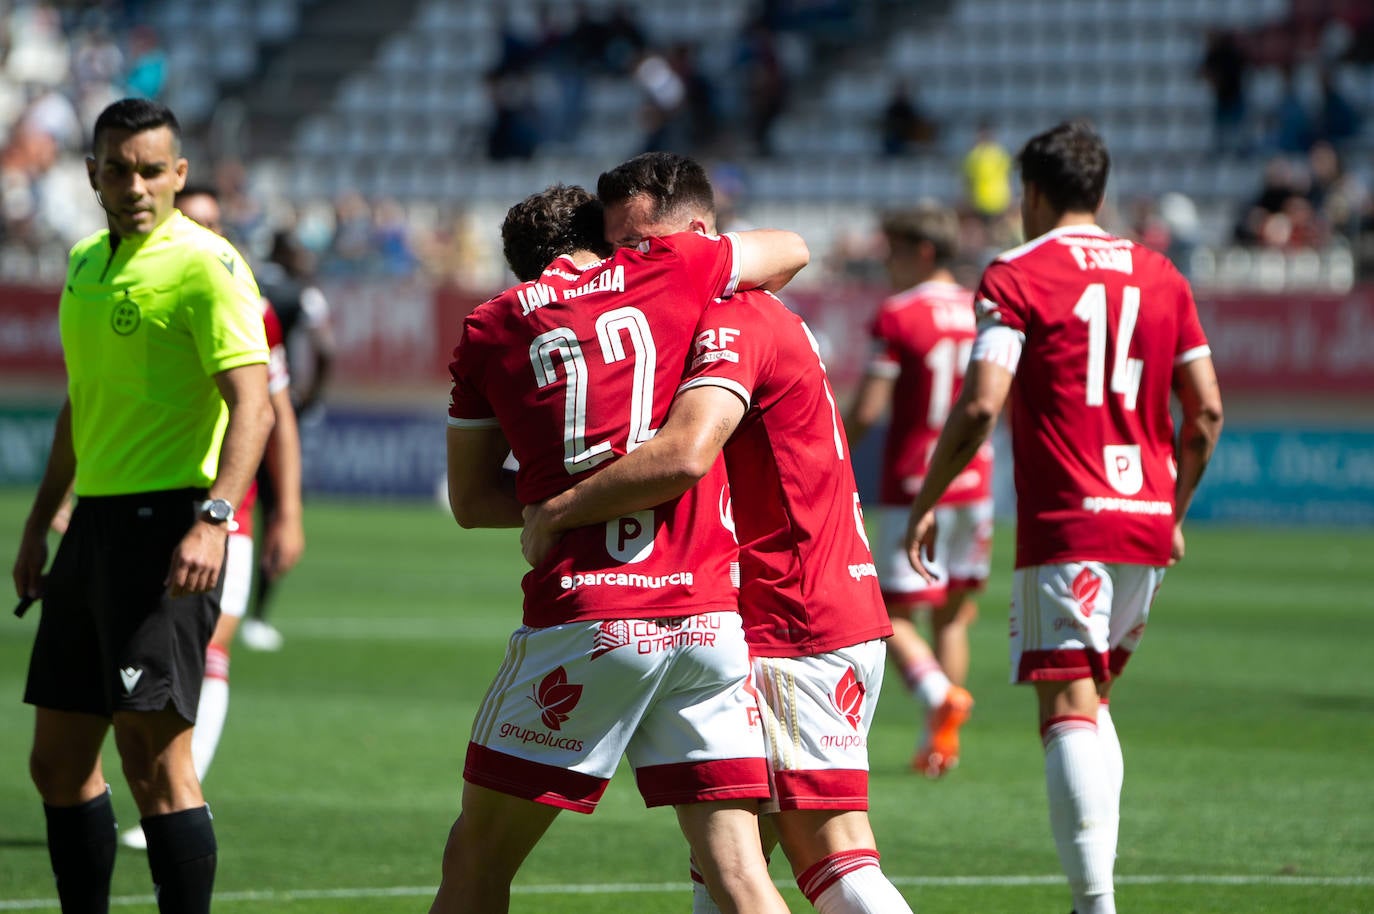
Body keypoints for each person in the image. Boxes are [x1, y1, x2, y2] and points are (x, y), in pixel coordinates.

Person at [523, 152, 912, 914]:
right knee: (727, 864)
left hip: (794, 613)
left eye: (643, 247)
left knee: (832, 858)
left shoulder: (734, 319)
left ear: (699, 235)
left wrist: (559, 510)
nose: (630, 268)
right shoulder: (726, 316)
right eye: (619, 250)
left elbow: (685, 453)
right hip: (794, 605)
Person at [434, 182, 810, 914]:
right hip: (708, 623)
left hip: (589, 618)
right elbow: (792, 248)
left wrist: (558, 500)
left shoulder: (490, 326)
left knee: (476, 856)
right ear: (606, 242)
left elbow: (471, 501)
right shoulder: (667, 269)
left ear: (519, 265)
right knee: (736, 873)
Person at [904, 121, 1223, 914]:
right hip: (1145, 518)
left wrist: (928, 497)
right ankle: (1095, 899)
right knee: (1095, 701)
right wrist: (1174, 510)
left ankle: (1094, 905)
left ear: (1034, 195)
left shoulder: (1015, 274)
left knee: (1068, 708)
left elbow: (981, 402)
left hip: (1070, 519)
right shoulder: (1162, 274)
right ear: (1102, 192)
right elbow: (1207, 411)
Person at [10, 98, 274, 914]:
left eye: (153, 170)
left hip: (169, 531)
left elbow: (254, 405)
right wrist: (40, 521)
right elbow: (79, 408)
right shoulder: (87, 261)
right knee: (56, 762)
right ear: (91, 174)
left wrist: (215, 518)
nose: (136, 185)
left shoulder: (207, 264)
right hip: (92, 527)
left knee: (156, 766)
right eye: (119, 170)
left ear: (180, 174)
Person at [116, 185, 306, 850]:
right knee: (132, 657)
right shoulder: (131, 288)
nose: (205, 234)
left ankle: (177, 797)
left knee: (208, 648)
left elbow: (274, 415)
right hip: (141, 500)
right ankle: (152, 794)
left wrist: (290, 511)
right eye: (192, 222)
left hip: (228, 510)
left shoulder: (250, 306)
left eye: (214, 224)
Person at [843, 203, 988, 778]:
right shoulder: (984, 309)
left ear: (923, 252)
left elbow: (871, 407)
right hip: (975, 480)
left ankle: (936, 699)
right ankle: (943, 746)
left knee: (891, 612)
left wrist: (832, 448)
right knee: (953, 615)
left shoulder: (900, 314)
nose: (886, 264)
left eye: (894, 251)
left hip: (915, 484)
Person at [238, 227, 334, 652]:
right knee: (276, 512)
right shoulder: (302, 294)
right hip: (278, 412)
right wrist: (309, 397)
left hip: (233, 411)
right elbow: (326, 348)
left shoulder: (246, 282)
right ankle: (257, 616)